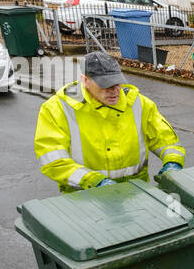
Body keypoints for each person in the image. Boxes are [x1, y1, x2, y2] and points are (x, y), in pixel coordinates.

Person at [34, 51, 185, 191]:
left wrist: (173, 161)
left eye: (117, 82)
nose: (114, 90)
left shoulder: (139, 104)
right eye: (105, 85)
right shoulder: (57, 109)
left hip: (135, 192)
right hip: (85, 196)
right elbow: (53, 160)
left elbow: (166, 140)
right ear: (85, 80)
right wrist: (93, 180)